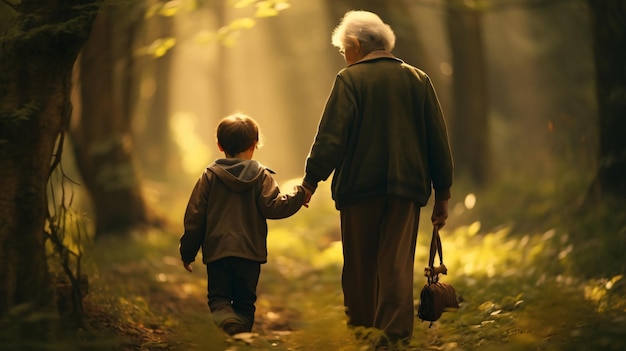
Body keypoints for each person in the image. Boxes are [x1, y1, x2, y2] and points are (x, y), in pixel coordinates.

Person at [301, 10, 453, 351]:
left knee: (360, 269)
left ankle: (364, 337)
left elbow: (330, 138)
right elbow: (437, 141)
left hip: (359, 190)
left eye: (344, 50)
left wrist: (311, 179)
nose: (345, 57)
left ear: (355, 45)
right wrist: (442, 193)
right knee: (397, 267)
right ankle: (392, 342)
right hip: (406, 189)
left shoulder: (350, 80)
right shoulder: (418, 80)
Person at [180, 113, 308, 336]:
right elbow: (275, 207)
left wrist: (188, 251)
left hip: (218, 252)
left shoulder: (209, 177)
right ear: (254, 145)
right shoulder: (262, 177)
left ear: (220, 146)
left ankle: (229, 323)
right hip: (250, 252)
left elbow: (195, 216)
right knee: (245, 302)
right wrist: (299, 195)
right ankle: (241, 337)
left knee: (218, 298)